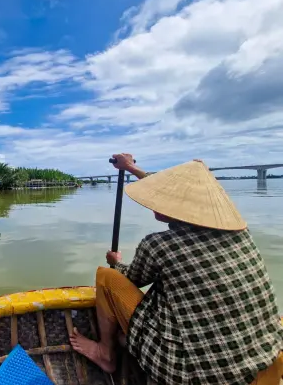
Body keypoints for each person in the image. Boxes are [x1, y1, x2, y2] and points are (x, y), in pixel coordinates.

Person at [70, 154, 283, 384]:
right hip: (267, 360)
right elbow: (172, 194)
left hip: (194, 374)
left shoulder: (160, 244)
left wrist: (116, 260)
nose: (158, 198)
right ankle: (128, 341)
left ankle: (106, 353)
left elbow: (128, 278)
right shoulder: (240, 233)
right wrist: (131, 168)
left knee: (106, 276)